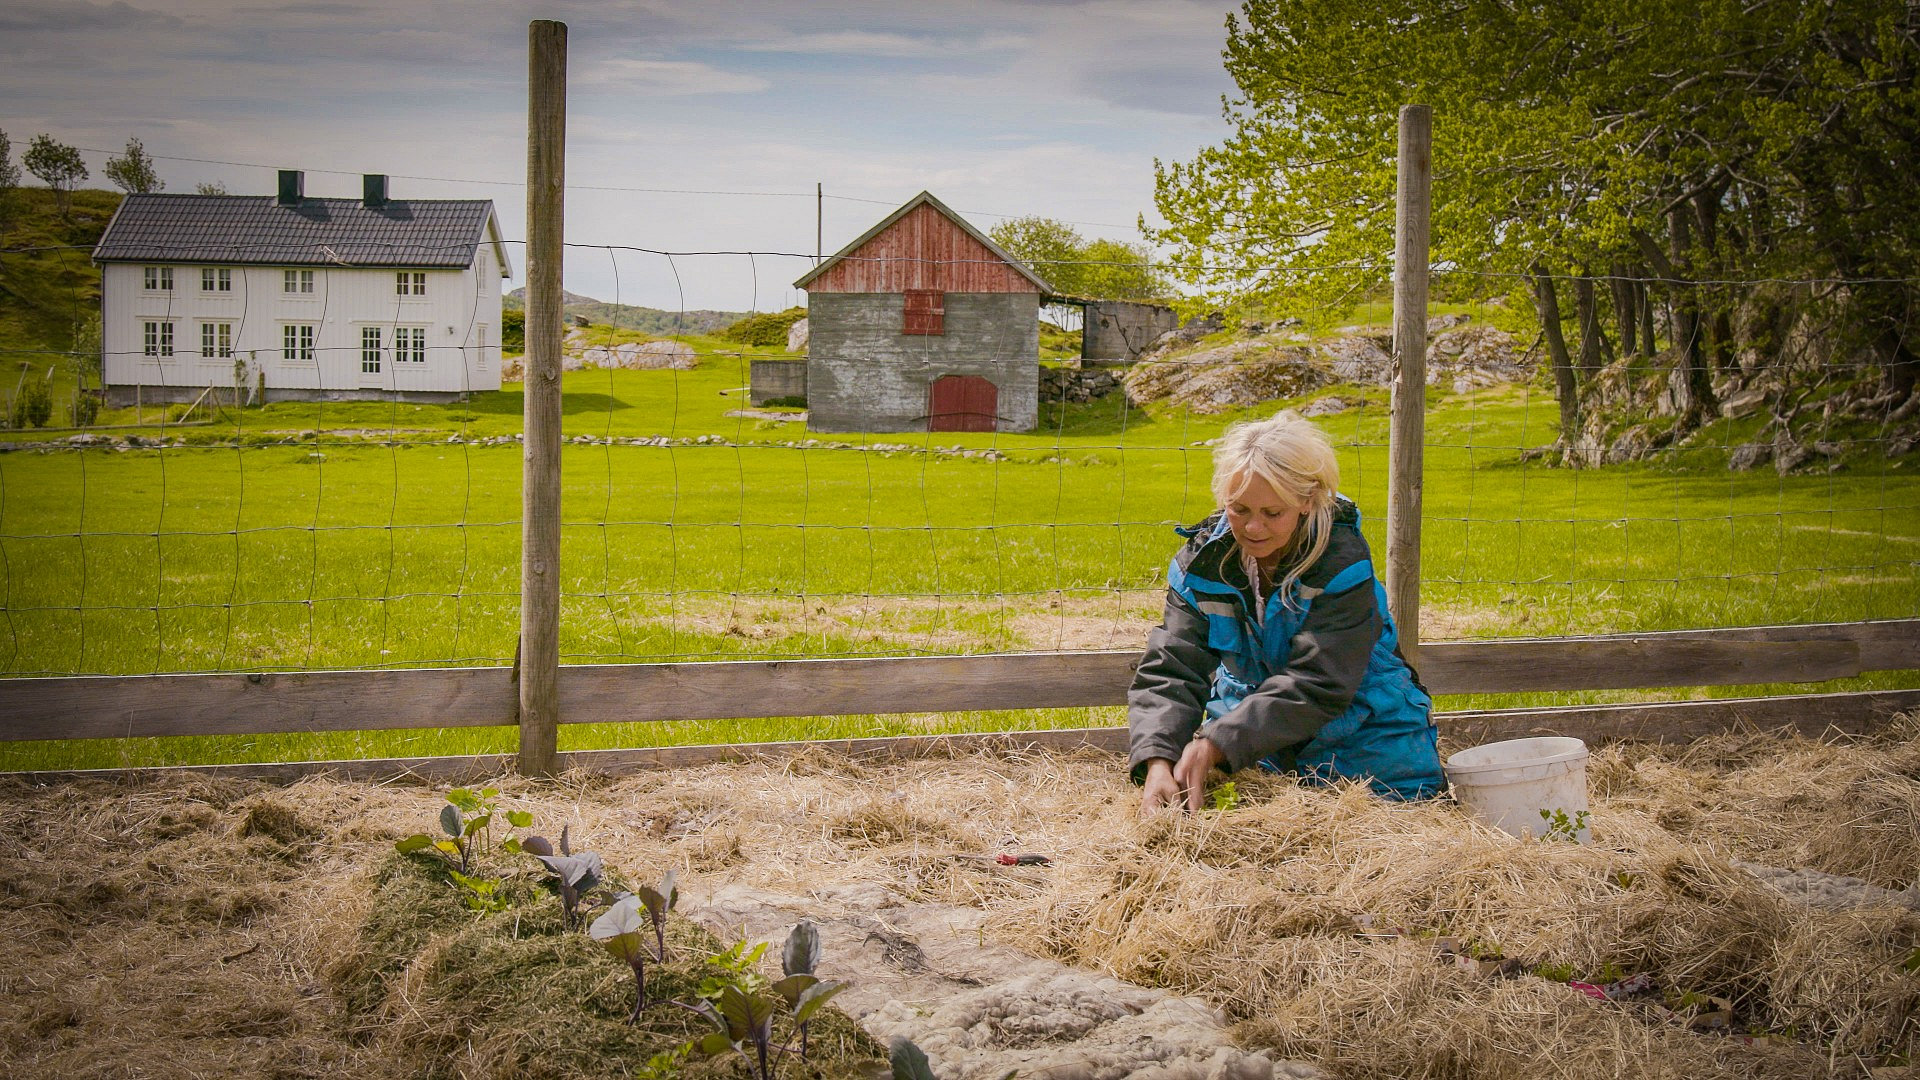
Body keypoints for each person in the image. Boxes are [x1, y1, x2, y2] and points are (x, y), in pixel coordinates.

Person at [1129, 409, 1444, 813]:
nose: (1253, 528)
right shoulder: (1201, 567)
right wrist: (1158, 759)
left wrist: (1219, 742)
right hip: (1260, 748)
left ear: (1307, 501)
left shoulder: (1341, 563)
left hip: (1369, 744)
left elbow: (1320, 681)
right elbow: (1172, 666)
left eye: (1272, 513)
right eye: (1238, 509)